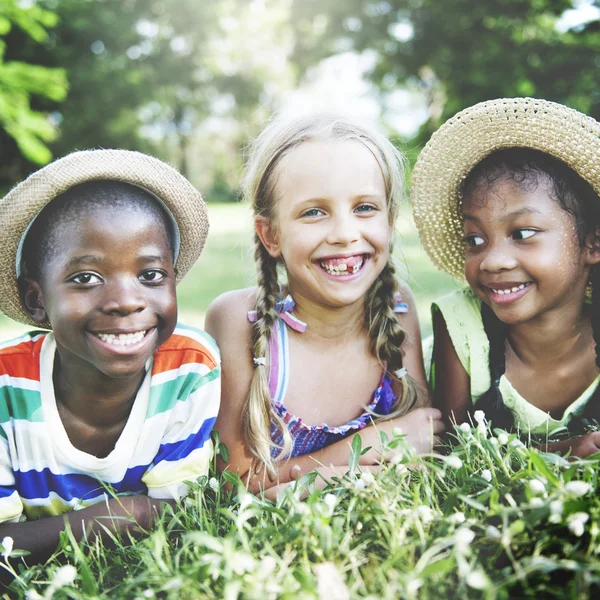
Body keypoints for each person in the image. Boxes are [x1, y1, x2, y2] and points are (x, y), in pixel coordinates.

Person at [0, 150, 220, 564]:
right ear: (36, 300)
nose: (125, 302)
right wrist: (121, 515)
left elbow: (182, 521)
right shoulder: (6, 385)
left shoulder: (189, 367)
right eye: (86, 278)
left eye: (150, 275)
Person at [206, 113, 443, 495]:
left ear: (390, 219)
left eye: (365, 207)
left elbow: (421, 443)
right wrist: (358, 452)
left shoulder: (397, 308)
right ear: (270, 234)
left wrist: (298, 482)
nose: (345, 235)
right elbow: (236, 481)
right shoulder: (239, 321)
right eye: (314, 212)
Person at [412, 97, 600, 457]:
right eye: (475, 240)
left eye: (523, 233)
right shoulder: (461, 326)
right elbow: (456, 450)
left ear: (592, 243)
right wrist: (564, 450)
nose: (492, 261)